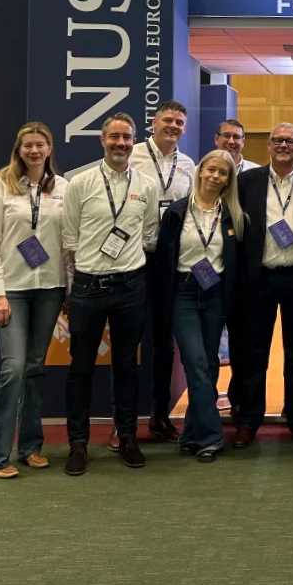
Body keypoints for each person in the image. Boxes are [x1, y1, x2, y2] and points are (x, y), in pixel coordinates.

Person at [61, 112, 159, 475]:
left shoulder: (146, 185)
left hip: (130, 287)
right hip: (88, 286)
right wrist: (76, 284)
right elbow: (69, 239)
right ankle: (78, 443)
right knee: (80, 368)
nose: (121, 143)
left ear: (134, 142)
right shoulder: (80, 183)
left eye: (127, 137)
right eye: (114, 137)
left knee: (126, 368)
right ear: (102, 140)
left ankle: (128, 437)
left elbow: (150, 236)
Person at [0, 122, 68, 478]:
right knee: (13, 367)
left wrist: (70, 289)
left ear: (49, 149)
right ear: (19, 150)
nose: (34, 151)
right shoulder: (1, 185)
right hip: (13, 289)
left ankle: (30, 447)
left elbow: (68, 242)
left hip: (50, 287)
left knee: (34, 367)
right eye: (28, 145)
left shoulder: (62, 187)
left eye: (40, 145)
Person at [232, 123, 293, 449]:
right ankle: (249, 419)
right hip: (258, 279)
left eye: (291, 141)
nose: (284, 145)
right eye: (278, 140)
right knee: (253, 353)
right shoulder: (247, 181)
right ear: (268, 146)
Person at [152, 150, 243, 462]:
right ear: (201, 171)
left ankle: (191, 433)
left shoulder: (233, 215)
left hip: (215, 293)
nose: (216, 177)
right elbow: (163, 260)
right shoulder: (177, 213)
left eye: (223, 173)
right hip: (184, 293)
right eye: (212, 170)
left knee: (210, 365)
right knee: (197, 365)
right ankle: (211, 437)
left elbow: (234, 263)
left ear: (228, 180)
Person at [126, 99, 195, 447]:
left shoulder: (188, 165)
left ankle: (159, 416)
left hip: (170, 262)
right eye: (167, 119)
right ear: (153, 122)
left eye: (179, 122)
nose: (173, 125)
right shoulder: (133, 155)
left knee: (165, 345)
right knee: (129, 342)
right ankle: (121, 423)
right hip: (134, 258)